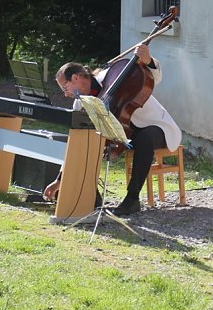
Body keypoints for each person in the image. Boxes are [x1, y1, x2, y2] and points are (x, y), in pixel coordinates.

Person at [42, 44, 182, 216]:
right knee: (89, 142)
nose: (65, 94)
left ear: (77, 78)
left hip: (154, 126)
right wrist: (58, 180)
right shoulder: (80, 103)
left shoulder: (112, 75)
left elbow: (153, 76)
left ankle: (132, 199)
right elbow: (77, 143)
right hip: (123, 132)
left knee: (144, 139)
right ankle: (93, 199)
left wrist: (147, 60)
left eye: (65, 87)